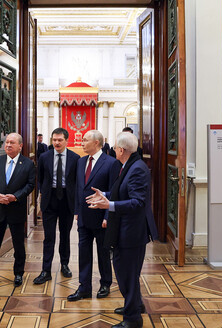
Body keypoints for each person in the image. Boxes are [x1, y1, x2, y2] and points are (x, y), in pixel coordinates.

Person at [87, 131, 158, 328]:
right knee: (127, 272)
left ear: (121, 150)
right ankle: (134, 305)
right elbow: (123, 192)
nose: (114, 151)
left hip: (132, 232)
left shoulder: (136, 169)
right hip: (126, 230)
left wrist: (108, 205)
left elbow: (137, 202)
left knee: (127, 274)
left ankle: (133, 319)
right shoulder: (130, 165)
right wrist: (105, 194)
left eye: (115, 148)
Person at [0, 133, 36, 288]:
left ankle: (18, 274)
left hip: (16, 210)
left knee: (18, 244)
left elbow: (30, 185)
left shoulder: (28, 164)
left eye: (12, 142)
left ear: (20, 146)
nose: (8, 145)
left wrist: (15, 197)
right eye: (7, 142)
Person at [68, 129, 121, 302]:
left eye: (85, 140)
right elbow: (79, 188)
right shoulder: (81, 161)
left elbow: (113, 192)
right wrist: (77, 211)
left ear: (96, 142)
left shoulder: (111, 163)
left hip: (101, 217)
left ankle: (105, 283)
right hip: (83, 217)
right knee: (83, 252)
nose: (81, 143)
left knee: (103, 252)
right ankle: (84, 287)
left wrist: (108, 216)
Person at [33, 128, 80, 284]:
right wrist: (43, 193)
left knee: (65, 235)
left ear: (66, 140)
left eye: (60, 140)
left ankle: (64, 265)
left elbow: (77, 181)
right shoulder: (44, 157)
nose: (57, 143)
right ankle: (46, 270)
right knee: (49, 237)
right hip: (50, 200)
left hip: (67, 200)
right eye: (54, 140)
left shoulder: (75, 158)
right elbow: (40, 178)